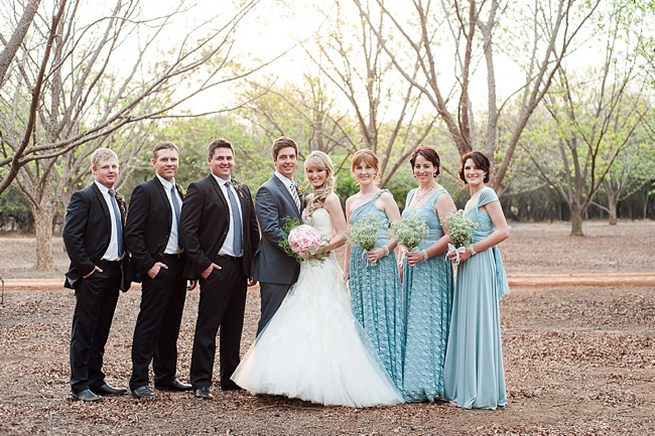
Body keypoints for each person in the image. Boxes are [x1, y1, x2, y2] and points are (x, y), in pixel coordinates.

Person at [231, 151, 403, 407]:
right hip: (306, 267)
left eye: (319, 171)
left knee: (325, 317)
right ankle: (289, 378)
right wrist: (302, 247)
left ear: (327, 173)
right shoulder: (307, 198)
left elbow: (344, 234)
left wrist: (319, 249)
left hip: (321, 265)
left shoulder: (332, 199)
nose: (314, 176)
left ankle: (326, 382)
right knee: (296, 316)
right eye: (310, 172)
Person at [179, 138, 260, 400]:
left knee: (234, 325)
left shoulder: (243, 189)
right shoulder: (199, 189)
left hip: (239, 266)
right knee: (208, 325)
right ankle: (201, 380)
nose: (225, 162)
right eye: (220, 158)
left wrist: (252, 265)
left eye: (229, 158)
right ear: (210, 160)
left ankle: (229, 377)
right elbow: (187, 231)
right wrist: (202, 265)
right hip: (215, 266)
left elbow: (252, 229)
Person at [125, 141, 194, 398]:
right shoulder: (145, 191)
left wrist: (190, 269)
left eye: (173, 159)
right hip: (158, 265)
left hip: (178, 265)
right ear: (154, 163)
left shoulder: (181, 192)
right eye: (164, 159)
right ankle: (139, 380)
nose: (169, 164)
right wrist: (149, 265)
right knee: (149, 323)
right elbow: (133, 233)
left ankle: (165, 376)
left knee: (172, 324)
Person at [443, 150, 510, 410]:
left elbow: (503, 231)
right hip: (467, 264)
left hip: (480, 263)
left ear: (485, 172)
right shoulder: (470, 200)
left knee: (479, 320)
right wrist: (457, 249)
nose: (472, 172)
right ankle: (467, 385)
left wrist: (471, 250)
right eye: (468, 168)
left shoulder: (487, 194)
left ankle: (481, 391)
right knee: (468, 320)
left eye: (477, 168)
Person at [62, 147, 129, 402]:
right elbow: (71, 235)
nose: (111, 171)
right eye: (106, 167)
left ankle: (96, 380)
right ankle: (79, 385)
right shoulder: (84, 197)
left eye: (114, 166)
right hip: (93, 272)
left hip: (114, 272)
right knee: (85, 329)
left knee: (101, 329)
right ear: (94, 170)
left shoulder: (116, 198)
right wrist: (87, 268)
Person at [343, 149, 404, 391]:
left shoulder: (384, 198)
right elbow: (349, 237)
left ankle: (386, 375)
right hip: (359, 265)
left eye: (368, 167)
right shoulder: (350, 201)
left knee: (381, 312)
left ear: (376, 171)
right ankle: (365, 377)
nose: (364, 172)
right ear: (354, 172)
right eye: (359, 168)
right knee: (361, 313)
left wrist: (385, 251)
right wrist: (346, 269)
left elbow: (399, 232)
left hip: (381, 262)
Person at [400, 147, 456, 402]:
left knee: (428, 321)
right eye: (418, 166)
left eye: (427, 166)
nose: (422, 170)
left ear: (436, 167)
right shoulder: (412, 194)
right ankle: (410, 378)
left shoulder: (442, 197)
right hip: (412, 266)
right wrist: (403, 258)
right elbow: (404, 230)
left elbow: (452, 235)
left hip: (432, 267)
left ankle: (429, 382)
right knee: (412, 320)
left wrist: (425, 254)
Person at [251, 137, 303, 334]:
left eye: (292, 156)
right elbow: (271, 230)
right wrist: (299, 250)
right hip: (275, 271)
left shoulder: (297, 189)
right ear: (275, 160)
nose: (288, 161)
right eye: (283, 157)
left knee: (290, 327)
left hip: (298, 271)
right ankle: (261, 365)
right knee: (270, 325)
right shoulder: (267, 190)